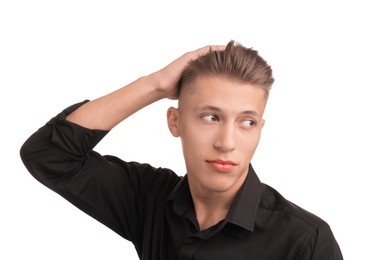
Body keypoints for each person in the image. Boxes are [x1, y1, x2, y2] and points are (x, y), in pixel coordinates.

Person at [20, 40, 343, 259]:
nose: (226, 142)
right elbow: (50, 156)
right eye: (210, 117)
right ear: (175, 122)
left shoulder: (305, 241)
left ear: (259, 129)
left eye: (246, 122)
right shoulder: (147, 199)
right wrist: (156, 84)